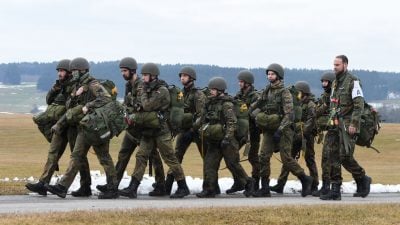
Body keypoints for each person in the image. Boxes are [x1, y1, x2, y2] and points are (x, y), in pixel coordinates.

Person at [45, 57, 119, 199]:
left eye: (74, 70)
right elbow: (69, 106)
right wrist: (75, 96)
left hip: (97, 125)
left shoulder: (93, 84)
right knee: (77, 155)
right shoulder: (77, 85)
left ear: (82, 70)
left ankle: (112, 188)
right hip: (85, 126)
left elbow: (106, 98)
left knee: (103, 157)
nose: (72, 73)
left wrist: (88, 106)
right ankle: (63, 187)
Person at [95, 57, 166, 196]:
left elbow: (144, 107)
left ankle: (157, 184)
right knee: (123, 155)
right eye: (122, 71)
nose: (123, 73)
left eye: (125, 71)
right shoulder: (129, 85)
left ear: (133, 71)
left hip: (142, 128)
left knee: (150, 156)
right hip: (131, 128)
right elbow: (128, 105)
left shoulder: (141, 86)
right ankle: (113, 184)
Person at [118, 62, 190, 199]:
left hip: (161, 130)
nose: (143, 77)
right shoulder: (147, 89)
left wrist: (143, 95)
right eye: (143, 75)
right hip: (148, 130)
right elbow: (138, 105)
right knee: (141, 156)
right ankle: (133, 188)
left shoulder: (161, 90)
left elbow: (147, 105)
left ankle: (183, 186)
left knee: (170, 158)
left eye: (146, 75)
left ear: (153, 76)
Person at [26, 59, 92, 197]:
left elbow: (72, 106)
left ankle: (85, 185)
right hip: (61, 124)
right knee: (53, 153)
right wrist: (54, 88)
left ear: (69, 72)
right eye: (59, 71)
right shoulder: (60, 85)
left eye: (62, 71)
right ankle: (43, 183)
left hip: (72, 125)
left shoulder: (76, 85)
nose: (59, 74)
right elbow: (49, 101)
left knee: (78, 156)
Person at [251, 63, 313, 197]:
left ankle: (305, 179)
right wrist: (250, 111)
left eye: (272, 74)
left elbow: (289, 114)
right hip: (269, 128)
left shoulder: (285, 93)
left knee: (286, 159)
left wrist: (280, 130)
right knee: (263, 156)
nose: (269, 76)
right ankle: (265, 188)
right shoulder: (267, 90)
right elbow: (259, 104)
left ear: (278, 76)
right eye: (268, 74)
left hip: (284, 130)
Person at [320, 55, 372, 200]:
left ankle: (362, 178)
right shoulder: (335, 82)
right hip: (335, 124)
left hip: (348, 125)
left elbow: (359, 104)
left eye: (337, 65)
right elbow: (333, 103)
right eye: (334, 64)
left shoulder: (353, 81)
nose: (334, 67)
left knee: (345, 156)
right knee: (332, 155)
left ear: (345, 65)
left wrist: (354, 124)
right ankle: (335, 190)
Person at [196, 77, 254, 198]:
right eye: (211, 89)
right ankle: (209, 189)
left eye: (213, 89)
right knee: (209, 164)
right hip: (214, 140)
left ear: (220, 90)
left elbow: (231, 122)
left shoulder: (227, 104)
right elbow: (203, 118)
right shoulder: (209, 103)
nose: (211, 91)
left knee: (233, 164)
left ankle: (249, 183)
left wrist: (227, 138)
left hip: (227, 141)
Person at [163, 66, 210, 195]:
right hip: (185, 130)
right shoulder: (181, 94)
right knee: (176, 156)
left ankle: (210, 186)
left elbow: (202, 114)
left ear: (191, 78)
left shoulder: (198, 94)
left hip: (197, 130)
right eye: (181, 76)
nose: (182, 78)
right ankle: (168, 184)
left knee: (206, 159)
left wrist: (194, 128)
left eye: (185, 76)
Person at [270, 81, 319, 194]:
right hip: (296, 135)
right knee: (289, 158)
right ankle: (280, 184)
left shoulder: (310, 105)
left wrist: (301, 134)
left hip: (307, 136)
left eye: (298, 92)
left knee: (309, 159)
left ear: (304, 93)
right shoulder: (297, 103)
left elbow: (310, 122)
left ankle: (314, 185)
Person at [227, 70, 261, 193]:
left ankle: (255, 184)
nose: (239, 84)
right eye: (239, 81)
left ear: (248, 83)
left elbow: (256, 112)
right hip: (241, 132)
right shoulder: (238, 95)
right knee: (231, 157)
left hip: (253, 132)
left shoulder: (256, 96)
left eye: (241, 82)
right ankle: (239, 182)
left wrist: (249, 113)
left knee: (253, 158)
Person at [313, 71, 335, 197]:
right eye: (322, 81)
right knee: (326, 158)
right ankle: (326, 186)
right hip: (331, 132)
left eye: (326, 82)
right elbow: (316, 111)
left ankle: (361, 179)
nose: (323, 84)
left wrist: (323, 107)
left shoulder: (335, 97)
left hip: (338, 131)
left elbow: (318, 111)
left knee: (343, 160)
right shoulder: (325, 96)